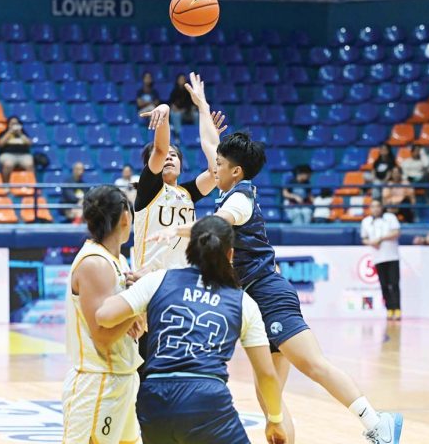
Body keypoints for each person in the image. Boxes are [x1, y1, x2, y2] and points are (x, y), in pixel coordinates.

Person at [151, 132, 403, 444]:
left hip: (268, 293)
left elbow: (216, 227)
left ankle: (378, 424)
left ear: (236, 171)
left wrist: (174, 230)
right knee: (269, 395)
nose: (213, 168)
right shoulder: (226, 189)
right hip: (254, 298)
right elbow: (209, 144)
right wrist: (202, 106)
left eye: (219, 164)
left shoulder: (240, 199)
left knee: (312, 364)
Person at [96, 216, 287, 444]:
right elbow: (266, 374)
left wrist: (136, 305)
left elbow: (104, 317)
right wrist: (275, 419)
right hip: (204, 397)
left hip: (154, 396)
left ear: (189, 249)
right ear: (230, 255)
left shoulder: (158, 280)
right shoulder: (243, 302)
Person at [62, 185, 144, 444]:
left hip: (122, 376)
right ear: (125, 217)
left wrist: (135, 315)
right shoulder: (95, 264)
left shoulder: (117, 261)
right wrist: (139, 302)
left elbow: (134, 324)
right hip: (98, 383)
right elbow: (102, 337)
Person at [134, 72, 225, 273]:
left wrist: (211, 134)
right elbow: (159, 149)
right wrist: (165, 110)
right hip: (149, 278)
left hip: (183, 276)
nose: (168, 156)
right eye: (166, 154)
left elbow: (215, 171)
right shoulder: (148, 189)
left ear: (181, 165)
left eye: (174, 155)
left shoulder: (186, 193)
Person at [361, 200, 402, 321]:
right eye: (373, 206)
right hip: (378, 258)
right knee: (383, 285)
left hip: (392, 256)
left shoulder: (390, 217)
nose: (375, 209)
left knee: (394, 284)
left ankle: (397, 309)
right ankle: (389, 309)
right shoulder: (366, 221)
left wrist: (381, 238)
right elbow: (364, 238)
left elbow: (396, 232)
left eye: (378, 206)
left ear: (381, 207)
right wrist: (371, 242)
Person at [0, 116, 33, 182]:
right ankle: (6, 185)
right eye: (12, 124)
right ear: (8, 125)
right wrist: (9, 132)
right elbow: (0, 144)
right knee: (8, 164)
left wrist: (20, 134)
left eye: (16, 124)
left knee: (29, 164)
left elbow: (29, 143)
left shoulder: (23, 133)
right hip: (7, 155)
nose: (14, 126)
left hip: (23, 155)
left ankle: (31, 185)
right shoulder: (3, 133)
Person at [168, 73, 198, 139]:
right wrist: (174, 107)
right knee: (175, 114)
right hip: (178, 112)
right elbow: (171, 104)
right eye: (180, 79)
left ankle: (198, 133)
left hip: (188, 112)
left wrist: (185, 110)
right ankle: (178, 135)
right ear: (177, 81)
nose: (182, 80)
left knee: (196, 114)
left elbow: (192, 104)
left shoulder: (189, 91)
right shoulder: (174, 91)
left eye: (183, 79)